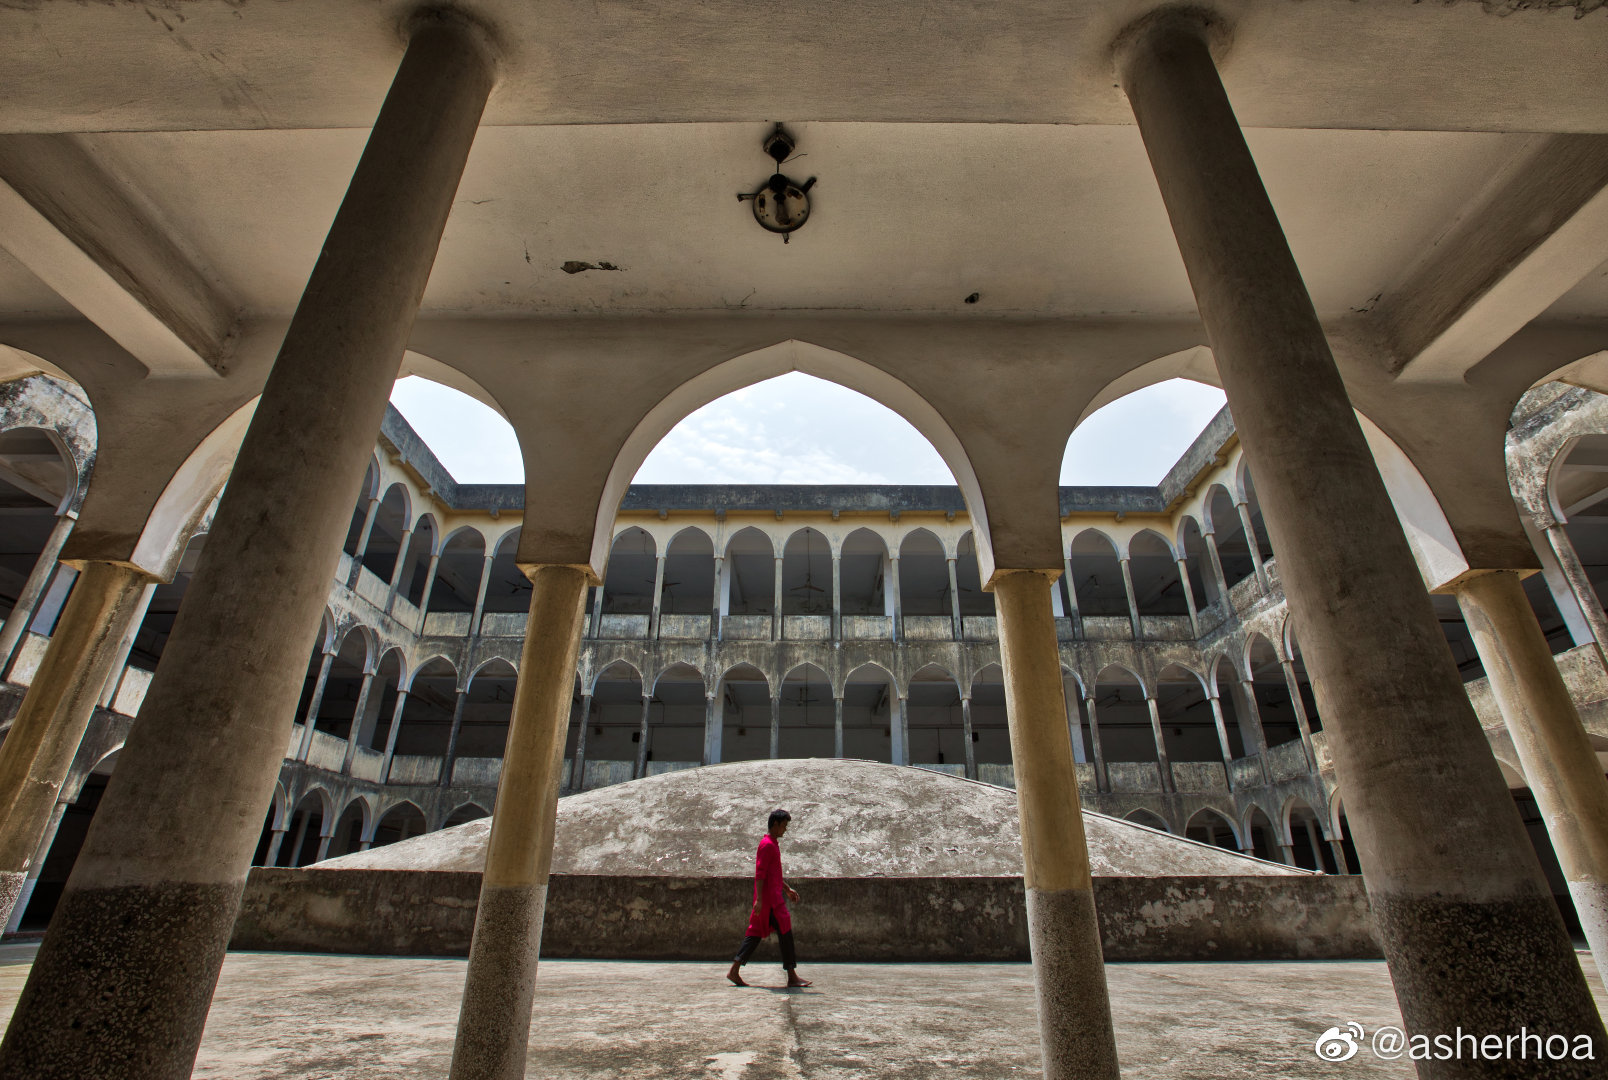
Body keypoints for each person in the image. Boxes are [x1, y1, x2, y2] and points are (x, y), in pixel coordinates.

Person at [726, 807, 811, 987]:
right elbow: (760, 873)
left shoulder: (772, 844)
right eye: (784, 825)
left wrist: (786, 889)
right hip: (770, 902)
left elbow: (774, 875)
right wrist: (760, 900)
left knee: (755, 933)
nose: (785, 829)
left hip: (770, 899)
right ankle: (792, 976)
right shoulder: (767, 846)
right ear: (775, 824)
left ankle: (734, 970)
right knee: (785, 930)